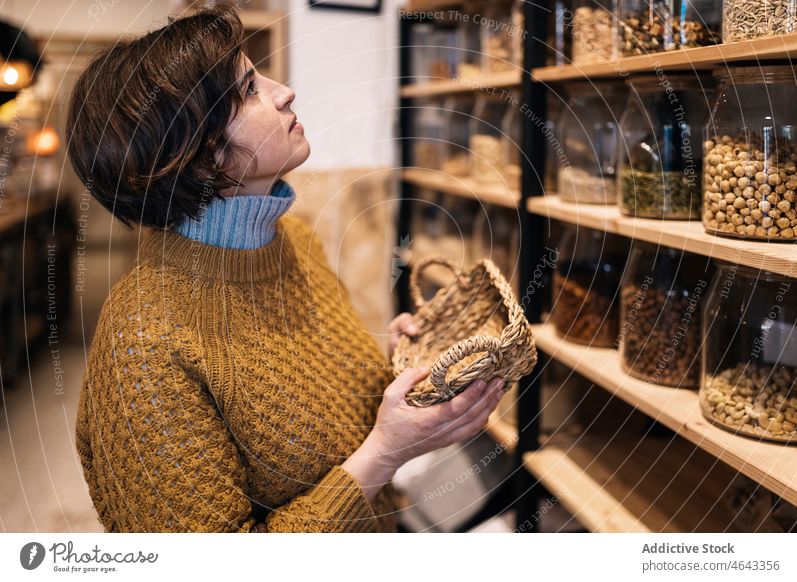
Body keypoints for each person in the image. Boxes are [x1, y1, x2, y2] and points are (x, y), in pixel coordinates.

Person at [67, 6, 507, 533]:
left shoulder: (290, 240)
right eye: (250, 90)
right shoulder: (143, 340)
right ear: (198, 154)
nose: (284, 91)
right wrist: (383, 456)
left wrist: (390, 362)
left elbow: (316, 401)